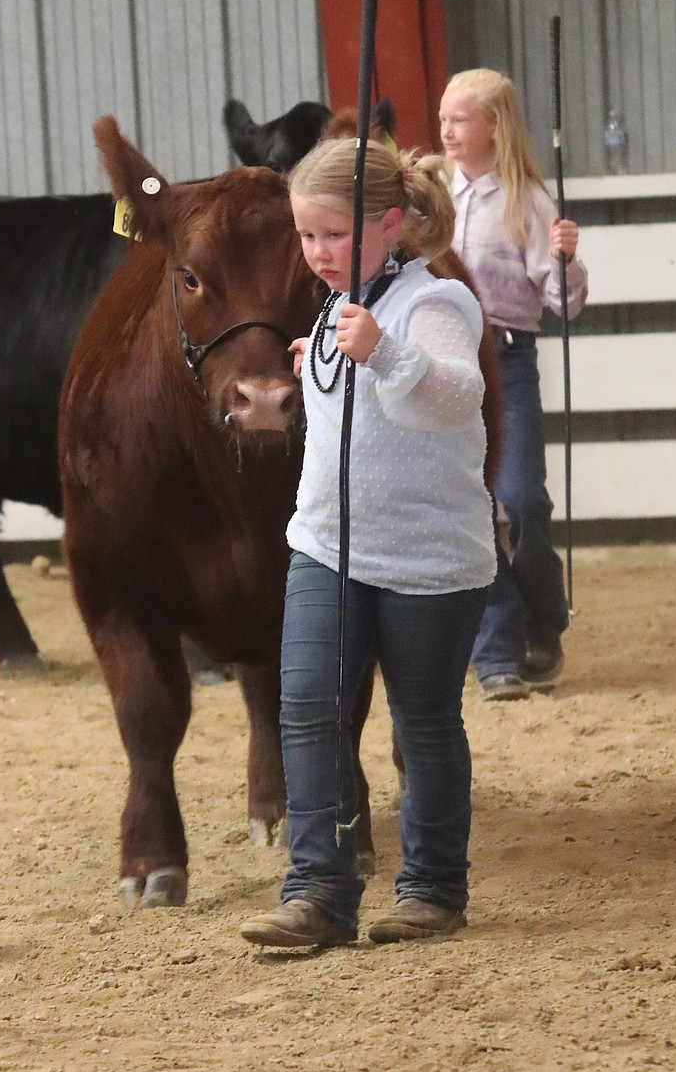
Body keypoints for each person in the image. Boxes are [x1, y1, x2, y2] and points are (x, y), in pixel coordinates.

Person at [239, 135, 496, 950]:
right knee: (307, 705)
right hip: (325, 543)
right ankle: (317, 889)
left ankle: (432, 889)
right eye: (306, 236)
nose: (317, 254)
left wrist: (381, 351)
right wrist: (325, 357)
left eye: (334, 235)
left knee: (423, 722)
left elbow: (456, 397)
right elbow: (353, 404)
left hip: (428, 555)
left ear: (390, 224)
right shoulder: (332, 309)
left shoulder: (434, 302)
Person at [440, 68, 588, 700]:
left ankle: (546, 614)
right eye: (442, 118)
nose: (445, 129)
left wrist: (565, 258)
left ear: (493, 127)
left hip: (508, 358)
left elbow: (562, 302)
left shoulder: (529, 201)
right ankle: (497, 648)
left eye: (459, 119)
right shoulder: (433, 194)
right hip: (449, 360)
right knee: (470, 507)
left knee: (522, 499)